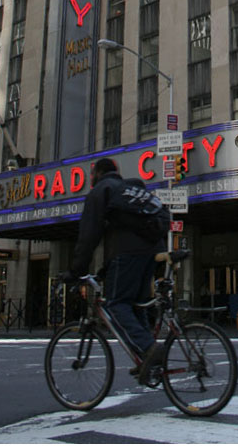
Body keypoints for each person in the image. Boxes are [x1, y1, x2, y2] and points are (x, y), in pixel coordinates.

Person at [66, 157, 165, 383]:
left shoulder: (102, 191)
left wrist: (76, 270)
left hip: (127, 253)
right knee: (137, 305)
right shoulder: (131, 191)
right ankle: (146, 358)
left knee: (116, 305)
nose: (90, 178)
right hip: (153, 251)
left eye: (92, 174)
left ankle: (149, 348)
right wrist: (105, 269)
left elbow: (89, 235)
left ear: (98, 173)